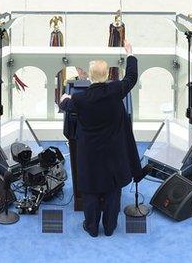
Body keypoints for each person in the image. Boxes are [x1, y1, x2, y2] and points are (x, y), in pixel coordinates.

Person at [58, 40, 139, 237]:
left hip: (90, 153)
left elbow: (64, 105)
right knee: (113, 189)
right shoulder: (116, 91)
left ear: (90, 76)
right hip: (113, 151)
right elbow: (132, 77)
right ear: (107, 75)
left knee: (90, 190)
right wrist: (130, 53)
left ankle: (92, 227)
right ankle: (110, 227)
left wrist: (64, 99)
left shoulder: (80, 99)